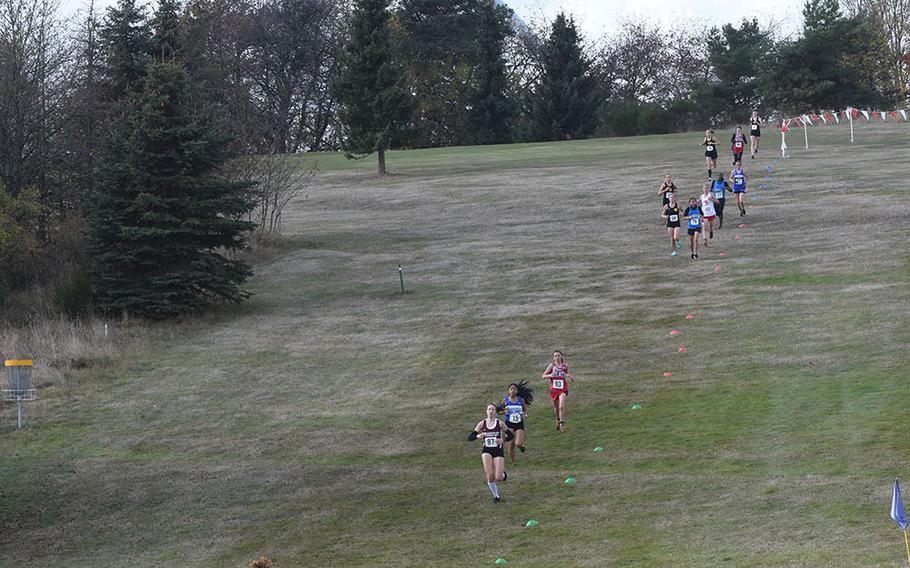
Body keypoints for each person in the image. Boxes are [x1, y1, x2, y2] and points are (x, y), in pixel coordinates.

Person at [468, 404, 512, 502]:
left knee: (499, 478)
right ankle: (496, 497)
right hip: (486, 451)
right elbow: (470, 437)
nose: (491, 411)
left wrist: (503, 440)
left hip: (498, 451)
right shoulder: (482, 424)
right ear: (486, 411)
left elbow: (510, 435)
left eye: (493, 409)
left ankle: (503, 474)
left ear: (495, 412)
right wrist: (478, 436)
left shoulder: (500, 423)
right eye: (489, 409)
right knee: (490, 476)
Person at [499, 381, 533, 465]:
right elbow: (499, 411)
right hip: (509, 423)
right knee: (511, 444)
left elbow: (524, 410)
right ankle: (513, 462)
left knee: (518, 443)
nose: (513, 391)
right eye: (511, 389)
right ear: (508, 391)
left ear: (517, 391)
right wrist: (504, 411)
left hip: (519, 423)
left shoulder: (521, 400)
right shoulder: (505, 400)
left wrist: (524, 415)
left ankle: (522, 447)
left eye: (514, 389)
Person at [542, 350, 575, 432]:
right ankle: (557, 419)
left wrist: (570, 377)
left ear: (561, 356)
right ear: (553, 358)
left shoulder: (565, 366)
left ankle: (562, 424)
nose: (557, 357)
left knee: (561, 407)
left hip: (563, 389)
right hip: (554, 389)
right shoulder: (551, 366)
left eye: (558, 355)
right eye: (555, 356)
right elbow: (543, 376)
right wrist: (550, 375)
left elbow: (567, 374)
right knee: (556, 408)